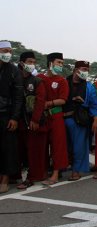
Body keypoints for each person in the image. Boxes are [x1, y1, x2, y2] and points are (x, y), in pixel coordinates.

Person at [16, 51, 48, 189]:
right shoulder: (14, 77)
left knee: (33, 151)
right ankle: (14, 176)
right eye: (29, 61)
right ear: (22, 63)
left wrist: (35, 120)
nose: (32, 64)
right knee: (17, 151)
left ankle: (31, 177)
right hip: (16, 121)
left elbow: (40, 102)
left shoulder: (37, 81)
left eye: (34, 62)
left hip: (32, 122)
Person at [37, 52, 69, 185]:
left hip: (56, 116)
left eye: (62, 63)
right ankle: (42, 172)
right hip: (42, 117)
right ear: (50, 63)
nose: (61, 65)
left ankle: (56, 174)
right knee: (42, 144)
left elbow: (63, 100)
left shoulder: (62, 81)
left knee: (57, 145)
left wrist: (48, 104)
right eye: (58, 62)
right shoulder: (39, 78)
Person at [64, 61, 97, 181]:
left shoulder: (89, 86)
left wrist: (96, 119)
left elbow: (94, 105)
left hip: (80, 120)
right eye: (83, 69)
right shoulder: (64, 82)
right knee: (63, 146)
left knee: (79, 147)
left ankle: (76, 170)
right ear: (75, 70)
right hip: (62, 119)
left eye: (87, 70)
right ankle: (62, 167)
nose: (86, 72)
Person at [0, 41, 23, 193]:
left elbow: (18, 97)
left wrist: (14, 117)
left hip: (7, 115)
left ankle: (5, 179)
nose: (7, 53)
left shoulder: (14, 70)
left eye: (10, 51)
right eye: (4, 50)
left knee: (7, 148)